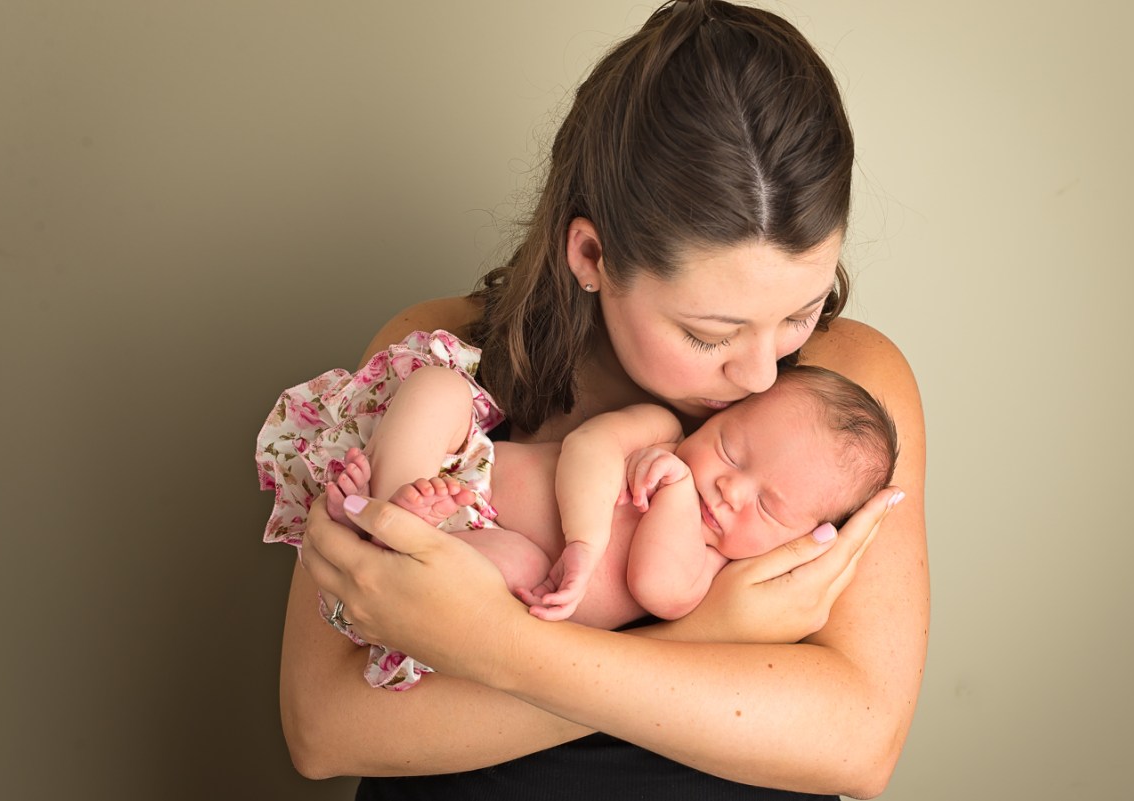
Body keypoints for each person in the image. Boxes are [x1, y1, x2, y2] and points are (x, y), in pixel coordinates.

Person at [279, 1, 927, 798]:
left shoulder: (847, 395)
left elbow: (856, 743)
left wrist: (504, 650)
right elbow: (324, 729)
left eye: (797, 311)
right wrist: (707, 636)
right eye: (709, 332)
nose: (763, 374)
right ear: (591, 254)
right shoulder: (438, 355)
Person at [258, 343, 898, 688]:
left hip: (493, 567)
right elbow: (588, 449)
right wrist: (587, 538)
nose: (730, 488)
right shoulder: (662, 430)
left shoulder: (707, 569)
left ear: (802, 537)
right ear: (718, 415)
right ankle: (393, 501)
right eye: (731, 448)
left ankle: (403, 540)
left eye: (767, 506)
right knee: (438, 391)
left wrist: (674, 493)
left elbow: (659, 589)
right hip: (463, 472)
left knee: (520, 567)